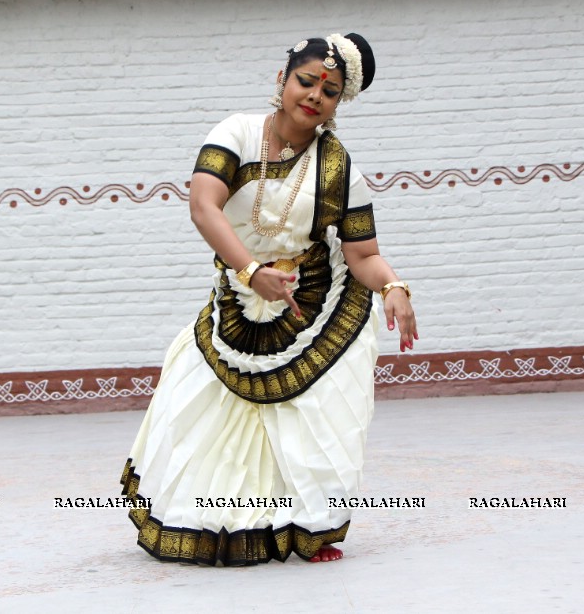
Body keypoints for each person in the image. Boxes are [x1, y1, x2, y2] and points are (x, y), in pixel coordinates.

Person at [119, 33, 418, 566]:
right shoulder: (235, 133)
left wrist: (393, 286)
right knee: (202, 409)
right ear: (281, 81)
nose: (314, 96)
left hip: (312, 305)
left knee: (305, 417)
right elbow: (203, 206)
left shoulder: (338, 166)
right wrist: (251, 270)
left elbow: (363, 254)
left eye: (328, 91)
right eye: (306, 81)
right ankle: (215, 522)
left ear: (338, 103)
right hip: (239, 296)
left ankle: (303, 528)